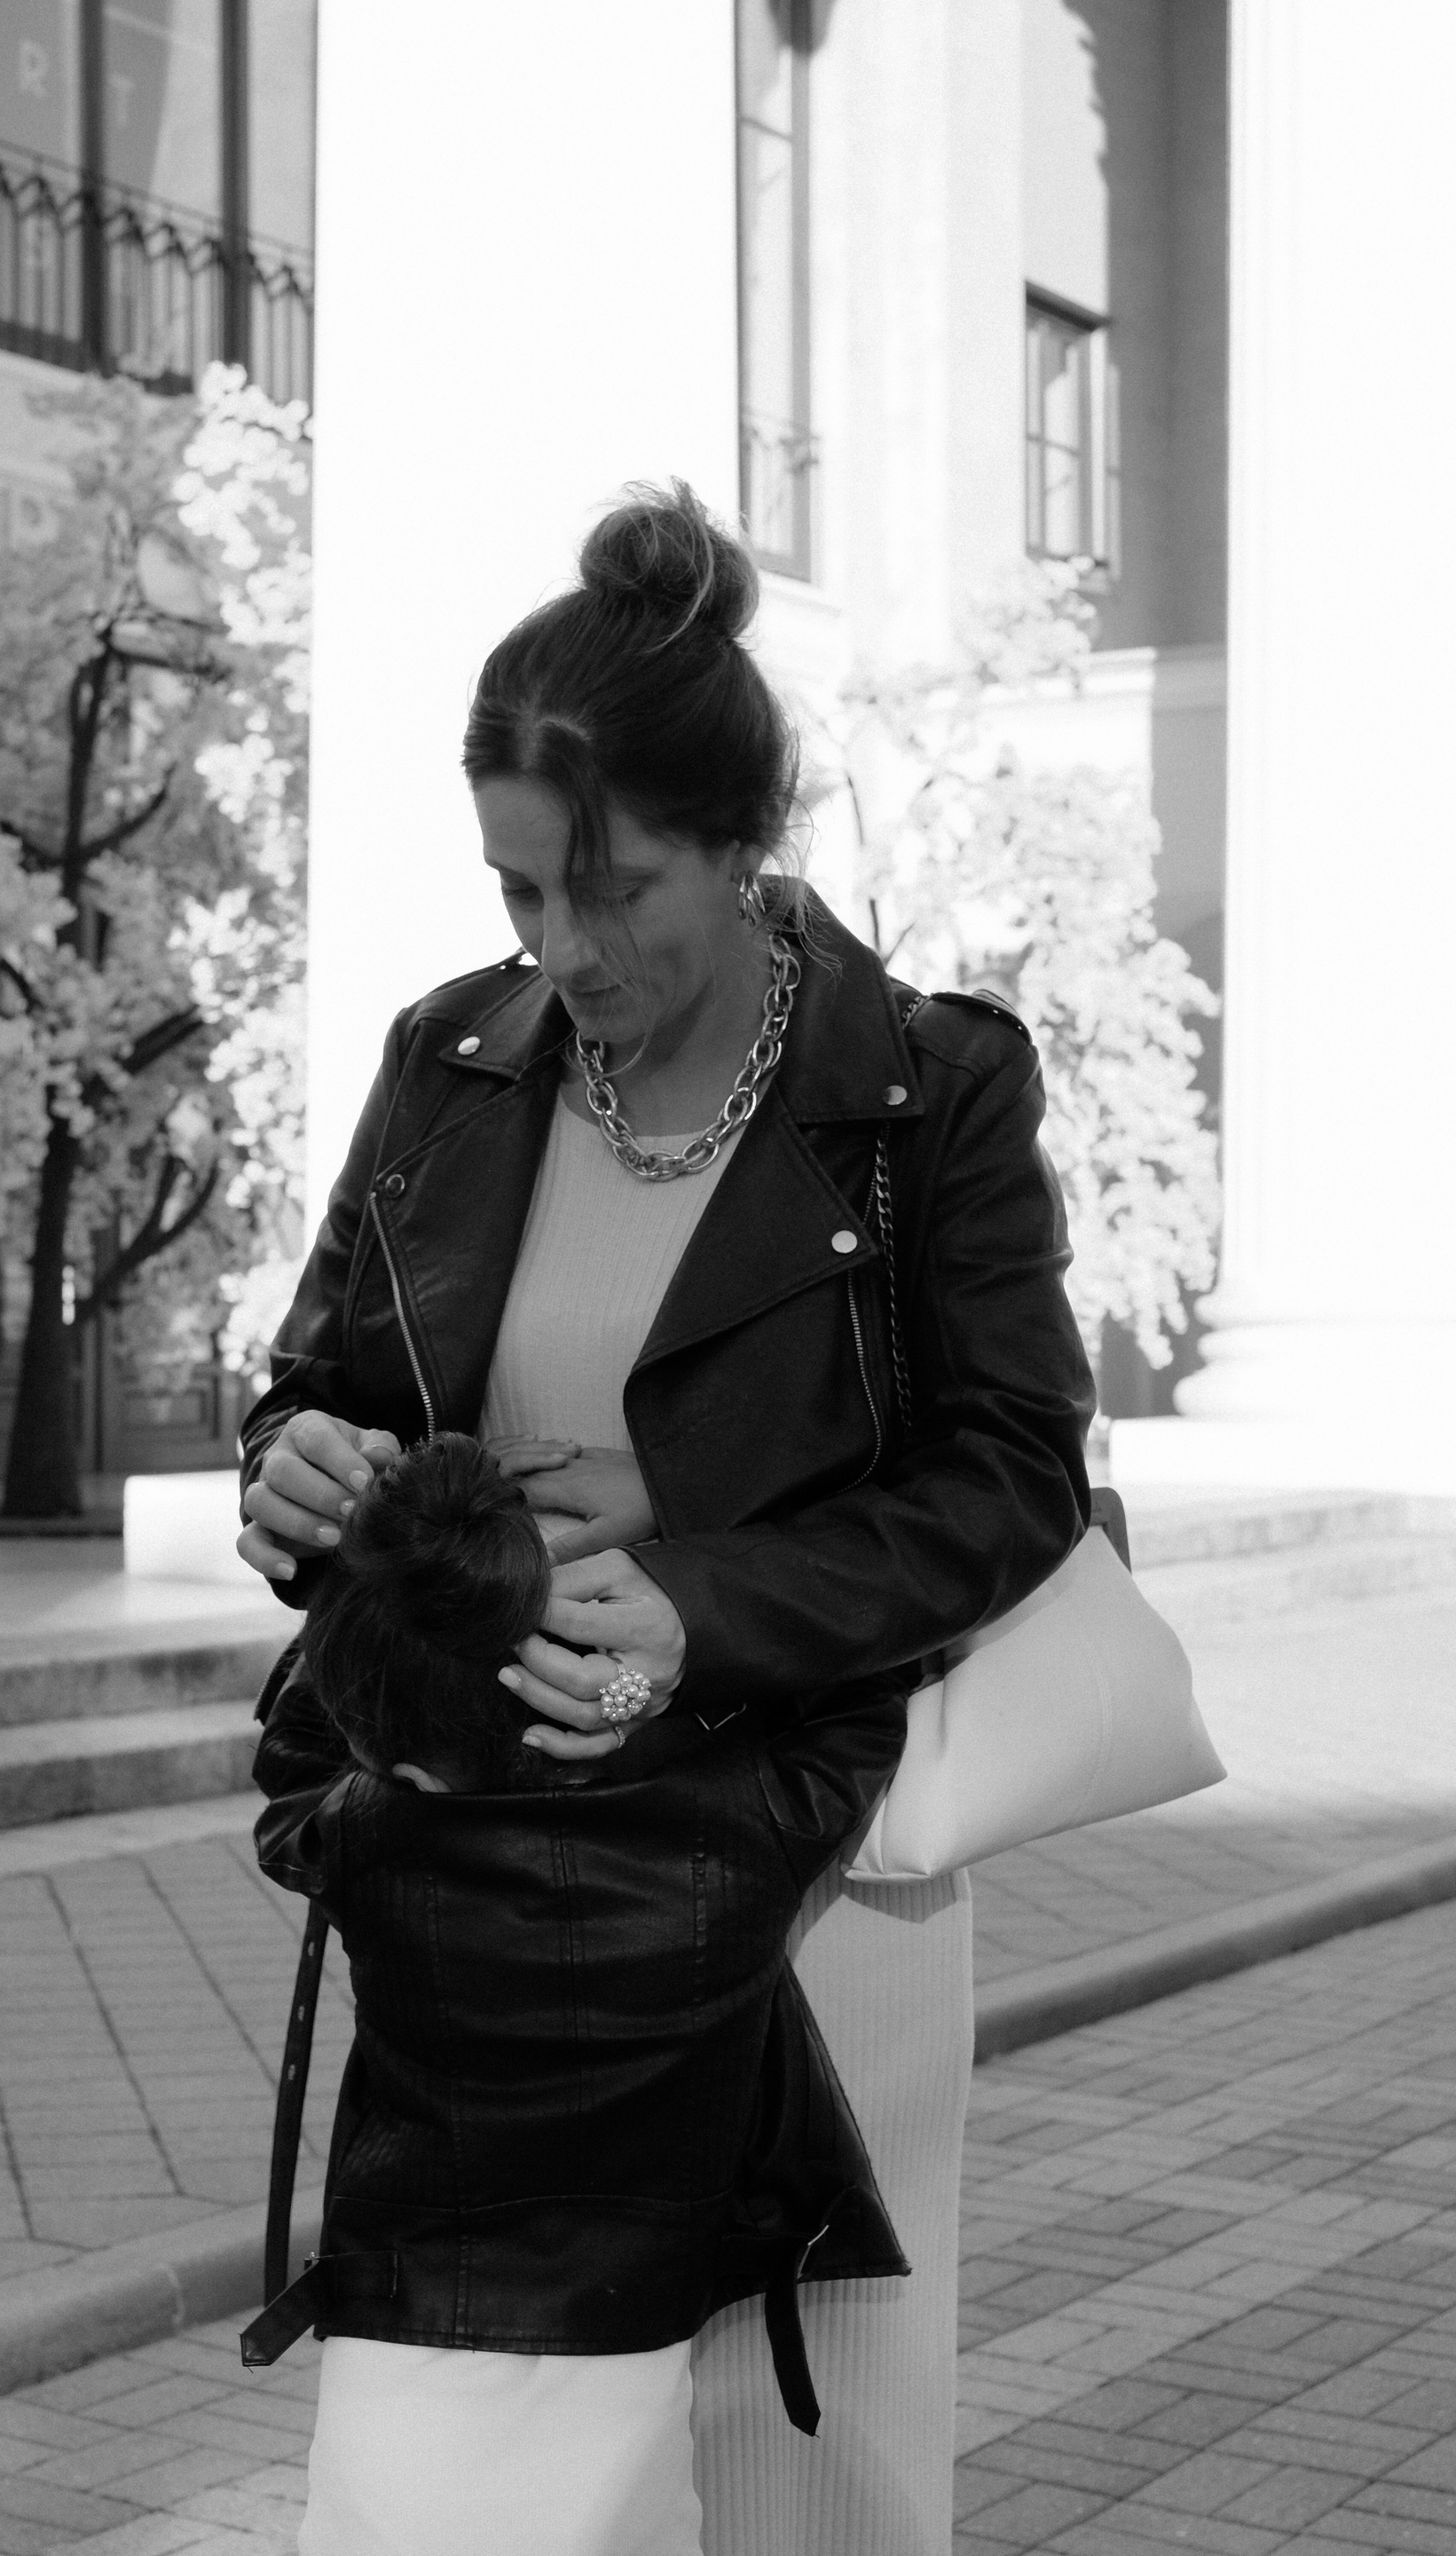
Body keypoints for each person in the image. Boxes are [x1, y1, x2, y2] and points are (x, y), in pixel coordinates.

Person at [238, 481, 1093, 2554]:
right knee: (473, 2477)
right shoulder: (449, 1062)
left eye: (613, 890)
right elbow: (326, 1382)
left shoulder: (925, 1098)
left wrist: (700, 1606)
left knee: (812, 2479)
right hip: (492, 1889)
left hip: (813, 1867)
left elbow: (1014, 1472)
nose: (563, 949)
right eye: (521, 890)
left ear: (742, 841)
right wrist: (301, 1471)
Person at [248, 1430, 909, 2556]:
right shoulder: (743, 1833)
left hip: (405, 2322)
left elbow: (299, 1742)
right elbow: (861, 1687)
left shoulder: (362, 1835)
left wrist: (397, 1563)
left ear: (392, 1751)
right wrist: (663, 1648)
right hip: (629, 2330)